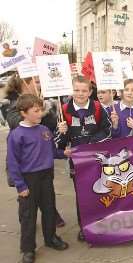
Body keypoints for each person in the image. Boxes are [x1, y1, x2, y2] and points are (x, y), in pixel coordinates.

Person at [7, 94, 69, 263]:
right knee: (28, 215)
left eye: (41, 110)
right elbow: (13, 162)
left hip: (46, 176)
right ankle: (27, 249)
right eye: (36, 111)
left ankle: (51, 238)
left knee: (49, 209)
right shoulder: (16, 134)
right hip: (28, 179)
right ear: (23, 113)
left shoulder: (44, 130)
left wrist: (63, 153)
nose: (40, 113)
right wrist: (20, 185)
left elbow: (52, 151)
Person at [4, 74, 65, 227]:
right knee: (27, 197)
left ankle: (51, 219)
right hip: (26, 163)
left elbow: (50, 126)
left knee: (45, 195)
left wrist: (59, 125)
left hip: (42, 160)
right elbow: (14, 122)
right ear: (24, 85)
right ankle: (26, 224)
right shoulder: (13, 103)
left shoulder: (41, 101)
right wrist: (39, 113)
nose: (39, 84)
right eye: (36, 82)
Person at [55, 76, 112, 242]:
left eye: (84, 90)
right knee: (81, 195)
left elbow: (108, 131)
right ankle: (84, 226)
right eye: (77, 90)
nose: (80, 94)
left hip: (96, 158)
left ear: (90, 92)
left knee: (101, 190)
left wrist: (90, 143)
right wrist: (62, 132)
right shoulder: (63, 110)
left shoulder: (98, 107)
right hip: (77, 162)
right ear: (72, 90)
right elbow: (59, 144)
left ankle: (101, 223)